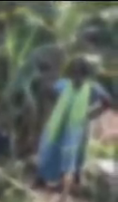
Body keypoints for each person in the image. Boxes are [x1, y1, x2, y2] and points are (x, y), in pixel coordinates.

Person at [37, 56, 113, 188]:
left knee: (73, 153)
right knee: (51, 148)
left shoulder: (92, 87)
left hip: (78, 127)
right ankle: (44, 178)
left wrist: (93, 113)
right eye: (75, 72)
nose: (77, 75)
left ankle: (69, 183)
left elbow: (107, 101)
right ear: (72, 73)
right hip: (59, 124)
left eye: (80, 72)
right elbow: (50, 91)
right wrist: (47, 75)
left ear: (85, 74)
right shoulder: (65, 84)